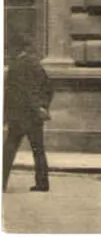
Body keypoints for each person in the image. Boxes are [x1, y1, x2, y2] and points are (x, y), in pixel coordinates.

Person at [2, 35, 53, 193]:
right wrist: (43, 106)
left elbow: (10, 93)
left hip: (19, 116)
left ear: (17, 49)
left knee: (8, 150)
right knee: (38, 150)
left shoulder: (15, 66)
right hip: (35, 115)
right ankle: (42, 183)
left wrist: (5, 115)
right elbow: (49, 87)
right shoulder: (36, 65)